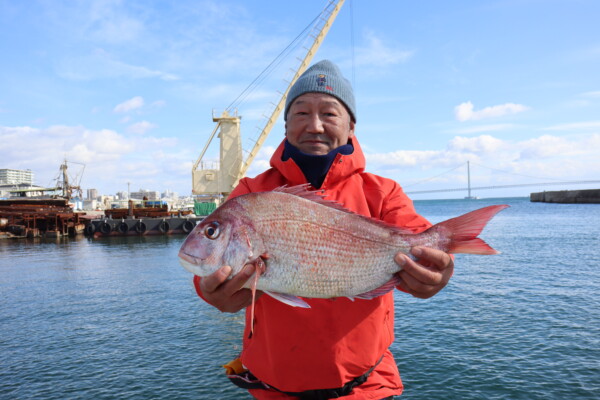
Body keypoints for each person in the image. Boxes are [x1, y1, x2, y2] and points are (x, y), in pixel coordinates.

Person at [193, 60, 454, 399]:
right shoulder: (251, 193)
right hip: (273, 391)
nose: (314, 125)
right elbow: (211, 261)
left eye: (329, 114)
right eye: (300, 113)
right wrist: (209, 291)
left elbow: (429, 254)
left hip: (368, 387)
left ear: (351, 127)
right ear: (285, 125)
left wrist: (437, 271)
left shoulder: (383, 192)